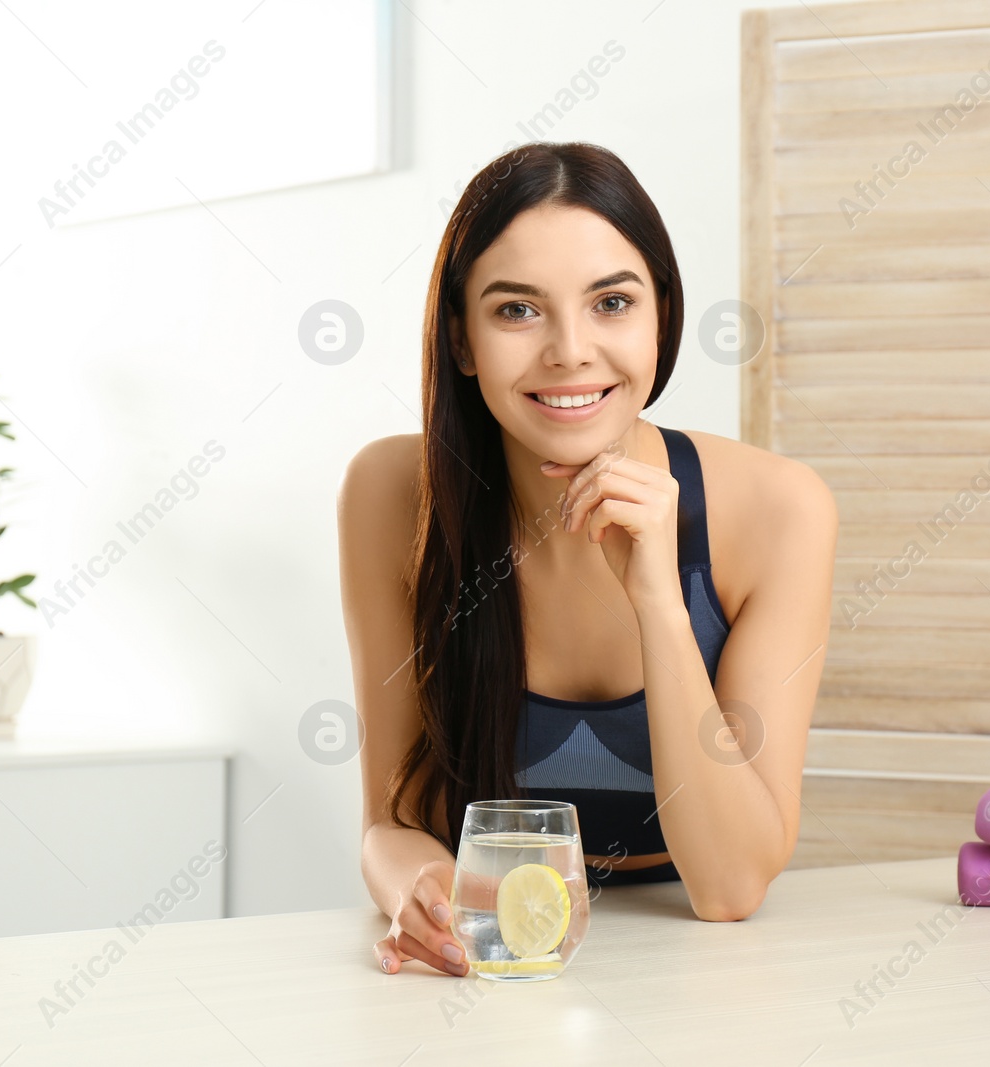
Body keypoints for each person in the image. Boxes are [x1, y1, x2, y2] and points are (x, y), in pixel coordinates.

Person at [337, 141, 837, 978]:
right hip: (500, 959)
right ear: (461, 338)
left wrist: (660, 605)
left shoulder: (779, 510)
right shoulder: (391, 495)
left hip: (705, 969)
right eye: (517, 311)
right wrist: (418, 886)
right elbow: (389, 820)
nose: (570, 351)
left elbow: (730, 886)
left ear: (662, 319)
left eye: (611, 302)